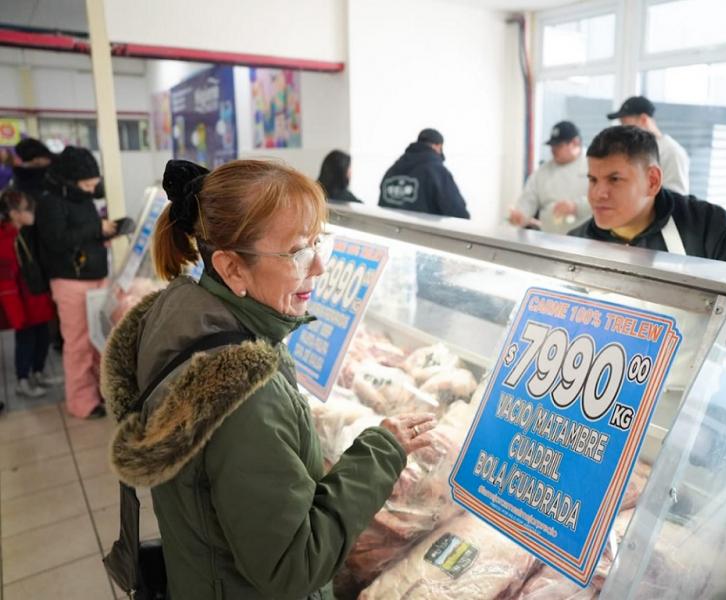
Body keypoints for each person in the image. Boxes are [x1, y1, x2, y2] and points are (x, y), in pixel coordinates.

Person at [102, 158, 437, 600]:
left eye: (319, 243)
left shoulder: (182, 316)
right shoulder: (244, 397)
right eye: (299, 251)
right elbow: (293, 565)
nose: (318, 266)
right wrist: (378, 453)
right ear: (232, 268)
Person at [569, 125, 726, 267]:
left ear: (652, 181)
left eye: (615, 179)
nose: (597, 194)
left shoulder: (714, 231)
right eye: (593, 180)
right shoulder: (575, 243)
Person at [36, 146, 118, 419]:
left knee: (99, 340)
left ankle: (101, 392)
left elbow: (82, 235)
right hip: (70, 282)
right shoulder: (50, 203)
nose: (90, 190)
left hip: (96, 276)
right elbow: (56, 240)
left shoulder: (82, 199)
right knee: (79, 344)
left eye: (93, 185)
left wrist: (107, 233)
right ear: (68, 181)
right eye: (86, 184)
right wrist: (96, 229)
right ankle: (81, 402)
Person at [0, 189, 57, 398]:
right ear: (14, 213)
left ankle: (38, 373)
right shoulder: (5, 241)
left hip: (36, 299)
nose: (32, 212)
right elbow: (7, 285)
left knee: (42, 338)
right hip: (24, 304)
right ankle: (22, 381)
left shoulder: (25, 234)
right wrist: (16, 316)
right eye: (26, 209)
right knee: (25, 341)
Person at [509, 121, 591, 234]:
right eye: (552, 145)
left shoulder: (593, 166)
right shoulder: (542, 171)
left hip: (584, 239)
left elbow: (604, 199)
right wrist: (520, 215)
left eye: (559, 145)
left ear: (575, 143)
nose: (553, 150)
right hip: (548, 238)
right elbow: (528, 200)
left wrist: (576, 206)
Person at [379, 128, 470, 218]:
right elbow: (458, 213)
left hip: (390, 230)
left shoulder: (392, 171)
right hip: (422, 231)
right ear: (438, 146)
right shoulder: (436, 172)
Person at [607, 96, 690, 194]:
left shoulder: (672, 152)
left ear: (643, 119)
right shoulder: (635, 149)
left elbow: (677, 198)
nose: (624, 130)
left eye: (626, 125)